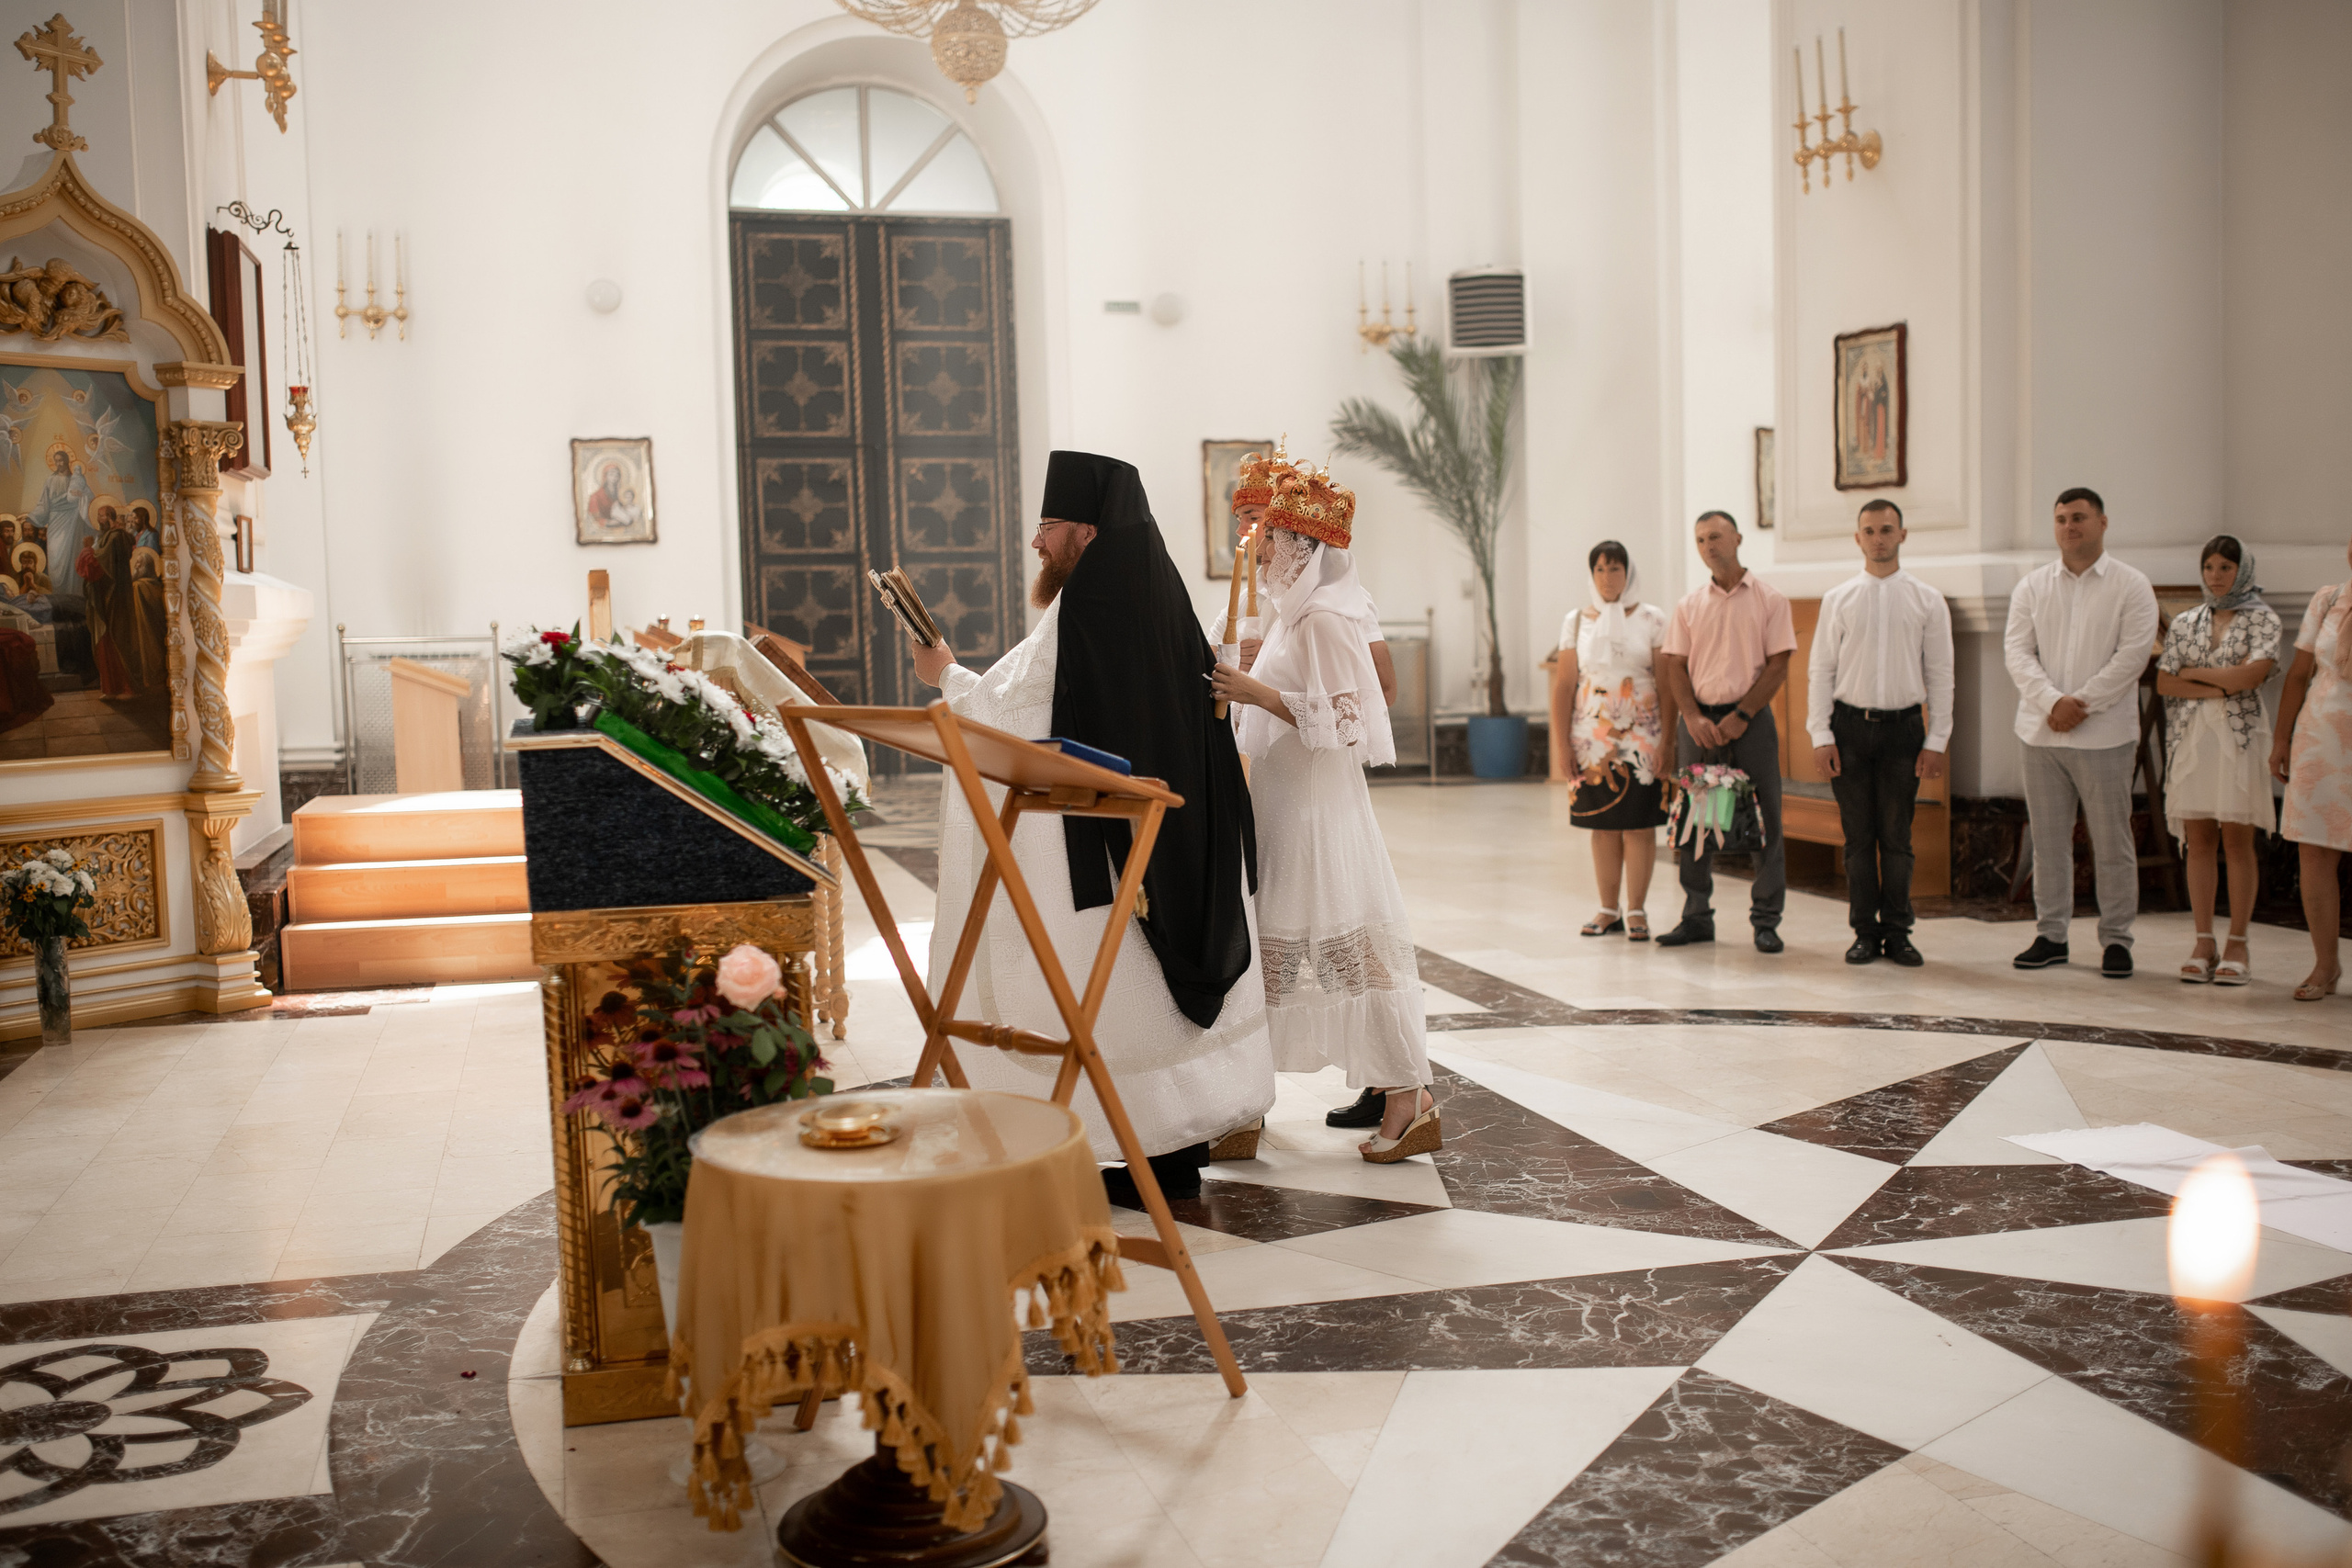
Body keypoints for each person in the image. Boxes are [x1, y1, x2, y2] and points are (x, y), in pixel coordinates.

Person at [911, 450, 1274, 1204]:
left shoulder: (1088, 606)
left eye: (1046, 527)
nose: (1038, 545)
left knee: (1120, 991)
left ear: (1084, 527)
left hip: (1115, 848)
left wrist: (944, 672)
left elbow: (1005, 706)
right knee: (1152, 995)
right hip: (1182, 835)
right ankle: (1175, 1148)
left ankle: (1143, 1154)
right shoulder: (1160, 586)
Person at [1210, 464, 1436, 1163]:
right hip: (1283, 804)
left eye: (1274, 539)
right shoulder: (1290, 620)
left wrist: (1255, 689)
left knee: (1354, 953)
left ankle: (1409, 1093)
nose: (1265, 550)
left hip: (1317, 811)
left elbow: (1347, 722)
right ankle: (1244, 1099)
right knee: (1273, 957)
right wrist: (1248, 670)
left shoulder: (1328, 620)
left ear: (1307, 550)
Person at [2004, 487, 2160, 977]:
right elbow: (2018, 654)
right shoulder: (2032, 586)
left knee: (2111, 841)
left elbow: (2132, 657)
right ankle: (2051, 934)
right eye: (2061, 519)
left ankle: (2117, 940)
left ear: (2102, 523)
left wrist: (2080, 704)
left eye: (2079, 518)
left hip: (2105, 735)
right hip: (2040, 733)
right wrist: (2053, 702)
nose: (2069, 527)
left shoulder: (2131, 585)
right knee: (2049, 841)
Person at [1806, 501, 1953, 967]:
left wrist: (1937, 740)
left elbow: (1942, 673)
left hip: (1904, 730)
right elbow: (1821, 671)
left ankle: (1898, 930)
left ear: (1903, 535)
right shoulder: (1839, 599)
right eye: (1869, 531)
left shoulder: (1928, 600)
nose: (1878, 538)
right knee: (1857, 838)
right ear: (1858, 539)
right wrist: (1819, 734)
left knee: (1896, 837)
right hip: (1848, 729)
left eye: (1887, 529)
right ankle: (1864, 933)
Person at [1656, 511, 1796, 951]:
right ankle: (1697, 915)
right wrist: (1693, 717)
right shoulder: (1689, 605)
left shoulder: (1770, 600)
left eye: (1715, 536)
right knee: (1697, 819)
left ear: (1737, 537)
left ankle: (1766, 920)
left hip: (1750, 723)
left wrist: (1744, 715)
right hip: (1697, 724)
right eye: (1700, 540)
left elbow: (1779, 664)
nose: (1708, 546)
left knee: (1766, 817)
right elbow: (1675, 664)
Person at [2155, 536, 2279, 986]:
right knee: (2199, 839)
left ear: (2242, 569)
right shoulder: (2187, 621)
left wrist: (2196, 674)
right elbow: (2166, 683)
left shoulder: (2262, 618)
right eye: (2209, 566)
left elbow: (2254, 674)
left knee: (2237, 840)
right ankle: (2203, 939)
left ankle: (2238, 943)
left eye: (2226, 566)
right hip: (2192, 738)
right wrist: (2222, 685)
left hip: (2240, 736)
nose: (2216, 575)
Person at [1552, 540, 1672, 942]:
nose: (1608, 578)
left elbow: (1667, 684)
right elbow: (1565, 685)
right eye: (1601, 570)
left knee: (1639, 825)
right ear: (1592, 575)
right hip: (1592, 739)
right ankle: (1607, 909)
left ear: (1629, 573)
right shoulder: (1575, 621)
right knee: (1602, 825)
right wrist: (1562, 745)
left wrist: (1669, 741)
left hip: (1643, 736)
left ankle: (1636, 910)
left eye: (1616, 569)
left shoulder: (1653, 619)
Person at [2269, 533, 2352, 1002]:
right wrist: (2282, 739)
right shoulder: (2329, 599)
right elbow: (2299, 674)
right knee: (2315, 854)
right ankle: (2326, 964)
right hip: (2321, 744)